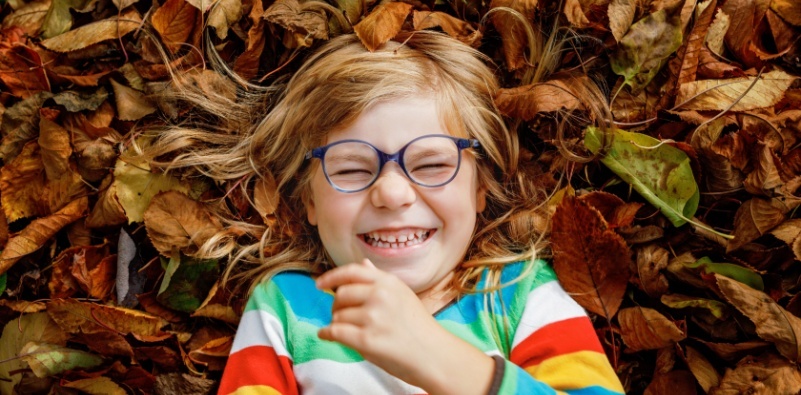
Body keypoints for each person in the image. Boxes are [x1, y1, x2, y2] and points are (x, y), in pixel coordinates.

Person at [147, 30, 625, 394]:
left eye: (433, 163)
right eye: (353, 170)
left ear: (481, 186)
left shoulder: (517, 293)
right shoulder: (287, 308)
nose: (392, 194)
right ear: (309, 202)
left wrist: (443, 361)